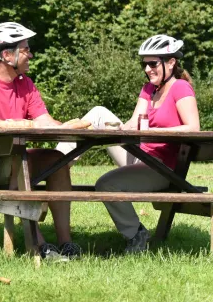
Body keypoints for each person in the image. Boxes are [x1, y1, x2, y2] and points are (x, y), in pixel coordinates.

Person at [0, 22, 81, 261]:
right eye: (26, 49)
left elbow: (44, 122)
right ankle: (40, 246)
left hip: (10, 159)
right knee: (19, 164)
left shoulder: (25, 84)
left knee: (56, 160)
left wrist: (72, 128)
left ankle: (66, 243)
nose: (30, 54)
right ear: (8, 55)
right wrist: (8, 124)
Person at [56, 34, 199, 253]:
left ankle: (135, 234)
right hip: (140, 155)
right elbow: (134, 123)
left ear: (171, 62)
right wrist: (115, 128)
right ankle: (54, 169)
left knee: (105, 185)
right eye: (145, 64)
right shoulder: (149, 89)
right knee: (99, 112)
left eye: (153, 63)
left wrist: (153, 132)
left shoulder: (180, 88)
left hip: (163, 168)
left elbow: (193, 128)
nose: (147, 69)